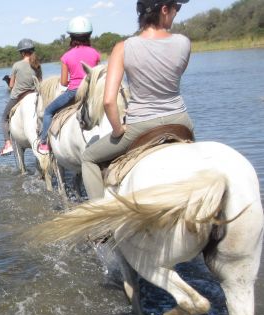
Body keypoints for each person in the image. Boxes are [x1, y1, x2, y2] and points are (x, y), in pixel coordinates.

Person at [80, 0, 193, 200]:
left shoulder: (123, 47)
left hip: (141, 125)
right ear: (164, 10)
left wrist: (117, 130)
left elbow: (108, 101)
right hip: (180, 120)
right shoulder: (184, 42)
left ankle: (101, 224)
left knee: (88, 158)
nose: (177, 12)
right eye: (176, 8)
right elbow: (175, 76)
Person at [37, 17, 101, 154]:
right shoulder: (95, 53)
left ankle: (44, 143)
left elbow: (64, 82)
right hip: (92, 92)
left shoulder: (66, 56)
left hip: (74, 93)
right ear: (89, 35)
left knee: (48, 111)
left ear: (71, 37)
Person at [0, 39, 43, 156]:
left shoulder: (16, 65)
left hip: (18, 97)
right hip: (34, 94)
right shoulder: (37, 65)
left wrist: (10, 81)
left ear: (22, 53)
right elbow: (40, 82)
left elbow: (11, 85)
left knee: (4, 118)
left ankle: (8, 144)